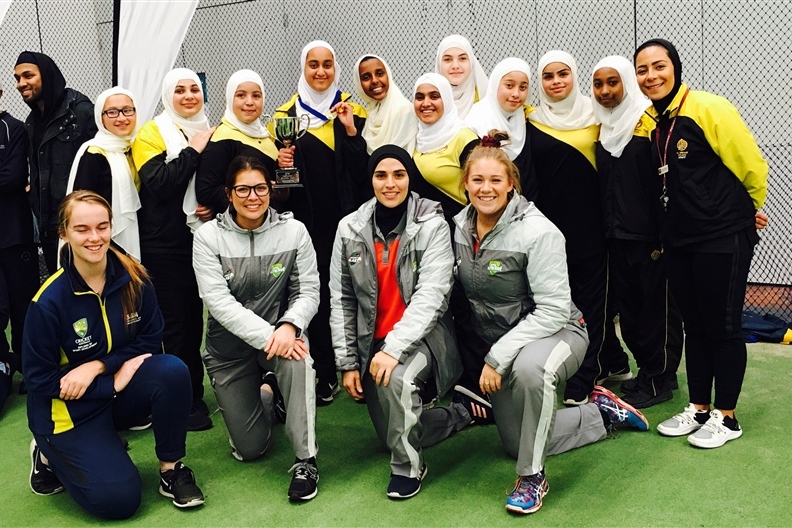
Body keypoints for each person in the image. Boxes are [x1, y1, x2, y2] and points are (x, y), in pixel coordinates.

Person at [452, 134, 649, 515]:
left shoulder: (538, 231)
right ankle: (598, 414)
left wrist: (496, 357)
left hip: (560, 331)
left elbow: (555, 310)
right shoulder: (458, 227)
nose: (486, 189)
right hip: (510, 342)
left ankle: (532, 477)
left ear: (511, 183)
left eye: (496, 180)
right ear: (465, 183)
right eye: (477, 180)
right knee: (516, 440)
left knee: (530, 370)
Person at [22, 190, 204, 519]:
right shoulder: (47, 303)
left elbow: (150, 339)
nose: (95, 238)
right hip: (68, 413)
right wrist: (109, 384)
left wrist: (101, 367)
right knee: (119, 501)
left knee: (172, 370)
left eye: (102, 227)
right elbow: (38, 380)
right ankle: (48, 455)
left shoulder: (134, 278)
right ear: (64, 233)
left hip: (114, 395)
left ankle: (170, 470)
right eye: (82, 229)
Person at [634, 39, 768, 447]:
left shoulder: (709, 108)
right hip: (680, 239)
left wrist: (748, 211)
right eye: (643, 69)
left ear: (675, 68)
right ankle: (699, 408)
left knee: (722, 325)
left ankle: (726, 417)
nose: (651, 76)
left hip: (721, 235)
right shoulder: (650, 121)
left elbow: (750, 165)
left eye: (659, 66)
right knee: (694, 326)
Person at [330, 145, 468, 499]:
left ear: (410, 178)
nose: (390, 184)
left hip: (424, 339)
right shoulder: (350, 228)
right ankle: (462, 413)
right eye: (381, 175)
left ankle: (409, 467)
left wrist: (392, 349)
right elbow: (342, 299)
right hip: (372, 346)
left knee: (397, 380)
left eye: (399, 175)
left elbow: (432, 297)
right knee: (389, 432)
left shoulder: (433, 225)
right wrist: (347, 363)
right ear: (371, 180)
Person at [193, 156, 321, 501]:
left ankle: (305, 460)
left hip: (282, 340)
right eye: (243, 189)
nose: (253, 196)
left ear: (271, 189)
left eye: (261, 188)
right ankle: (268, 396)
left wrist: (290, 325)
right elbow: (219, 303)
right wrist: (270, 335)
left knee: (299, 359)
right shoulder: (207, 237)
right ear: (228, 194)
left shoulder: (294, 231)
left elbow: (308, 289)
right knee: (250, 450)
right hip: (229, 352)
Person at [527, 50, 629, 405]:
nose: (556, 82)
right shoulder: (530, 120)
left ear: (574, 77)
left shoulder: (596, 115)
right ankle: (614, 361)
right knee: (561, 302)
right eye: (548, 76)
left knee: (592, 303)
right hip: (549, 232)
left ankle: (586, 375)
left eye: (563, 74)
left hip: (593, 228)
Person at [274, 40, 368, 405]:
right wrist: (283, 165)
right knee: (317, 296)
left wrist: (349, 131)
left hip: (348, 221)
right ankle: (324, 372)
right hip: (307, 224)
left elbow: (363, 173)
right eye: (313, 64)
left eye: (327, 64)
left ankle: (362, 367)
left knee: (356, 292)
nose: (320, 72)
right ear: (303, 68)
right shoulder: (286, 116)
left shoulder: (351, 110)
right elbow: (283, 183)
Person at [590, 56, 683, 408]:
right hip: (616, 236)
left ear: (626, 82)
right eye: (598, 84)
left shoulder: (648, 125)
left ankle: (660, 379)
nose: (605, 91)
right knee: (629, 312)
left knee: (656, 312)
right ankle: (649, 372)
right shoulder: (603, 127)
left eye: (613, 82)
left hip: (651, 239)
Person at [131, 68, 215, 431]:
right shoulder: (150, 133)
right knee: (176, 323)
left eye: (194, 89)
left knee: (195, 318)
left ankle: (193, 389)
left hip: (202, 238)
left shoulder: (209, 128)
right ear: (167, 95)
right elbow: (160, 184)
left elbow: (215, 180)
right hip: (164, 244)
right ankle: (186, 400)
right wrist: (194, 151)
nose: (188, 96)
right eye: (179, 90)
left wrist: (213, 200)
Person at [14, 51, 97, 274]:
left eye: (28, 76)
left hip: (83, 225)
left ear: (47, 76)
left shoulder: (81, 112)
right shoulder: (31, 122)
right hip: (50, 228)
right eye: (18, 78)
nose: (21, 84)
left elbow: (100, 169)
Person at [66, 87, 141, 260]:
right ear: (100, 117)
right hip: (101, 242)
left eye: (127, 110)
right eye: (112, 112)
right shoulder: (94, 153)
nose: (121, 118)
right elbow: (81, 203)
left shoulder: (135, 146)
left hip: (136, 235)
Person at [0, 82, 39, 405]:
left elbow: (12, 177)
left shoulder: (13, 129)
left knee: (21, 303)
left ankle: (28, 367)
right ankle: (4, 363)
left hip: (14, 234)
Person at [196, 69, 278, 217]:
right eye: (241, 95)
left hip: (270, 224)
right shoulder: (222, 138)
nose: (249, 102)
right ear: (229, 98)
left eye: (256, 96)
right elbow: (206, 191)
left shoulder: (267, 135)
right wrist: (250, 199)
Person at [411, 73, 479, 224]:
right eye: (420, 97)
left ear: (447, 100)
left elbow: (481, 188)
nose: (426, 103)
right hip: (426, 232)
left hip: (461, 231)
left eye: (434, 96)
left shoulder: (464, 138)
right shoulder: (414, 138)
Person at [465, 57, 532, 176]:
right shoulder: (476, 120)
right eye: (509, 86)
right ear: (495, 84)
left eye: (522, 87)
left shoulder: (526, 119)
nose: (516, 94)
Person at [352, 54, 417, 154]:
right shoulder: (368, 115)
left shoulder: (405, 111)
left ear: (388, 75)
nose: (374, 81)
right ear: (359, 83)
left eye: (379, 73)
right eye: (366, 77)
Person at [434, 35, 488, 118]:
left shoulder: (485, 98)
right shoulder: (428, 102)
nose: (455, 66)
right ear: (439, 64)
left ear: (471, 62)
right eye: (447, 59)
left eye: (462, 58)